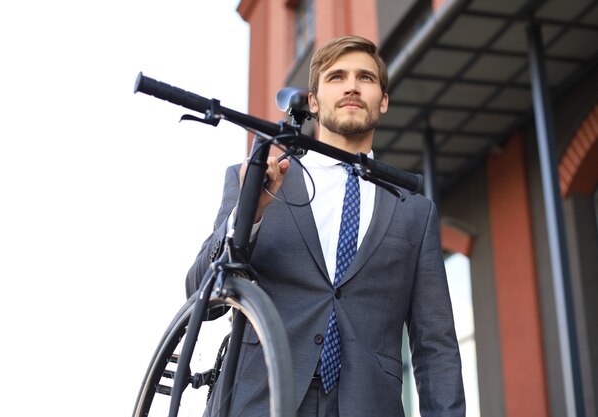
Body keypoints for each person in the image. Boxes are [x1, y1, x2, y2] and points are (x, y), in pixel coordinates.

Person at [186, 35, 465, 417]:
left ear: (383, 101)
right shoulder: (256, 178)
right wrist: (250, 215)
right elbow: (200, 295)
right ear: (313, 102)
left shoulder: (415, 213)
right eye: (337, 77)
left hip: (368, 405)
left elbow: (436, 347)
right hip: (259, 401)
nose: (352, 85)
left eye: (365, 78)